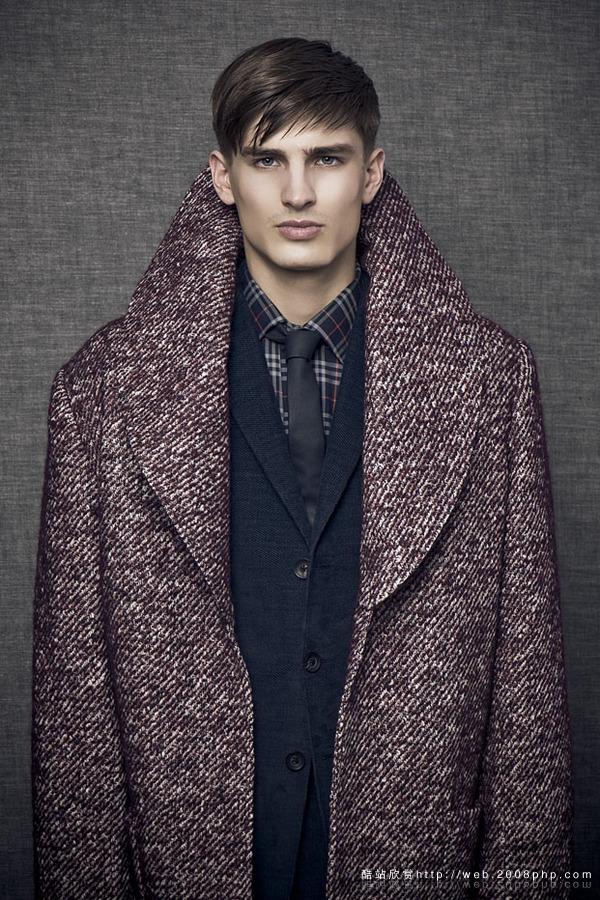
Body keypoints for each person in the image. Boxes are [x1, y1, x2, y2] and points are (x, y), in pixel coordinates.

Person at [32, 37, 573, 900]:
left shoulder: (490, 380)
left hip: (411, 861)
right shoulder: (100, 391)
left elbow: (527, 696)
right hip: (185, 865)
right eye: (265, 160)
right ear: (222, 176)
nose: (295, 193)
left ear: (371, 173)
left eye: (326, 158)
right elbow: (76, 711)